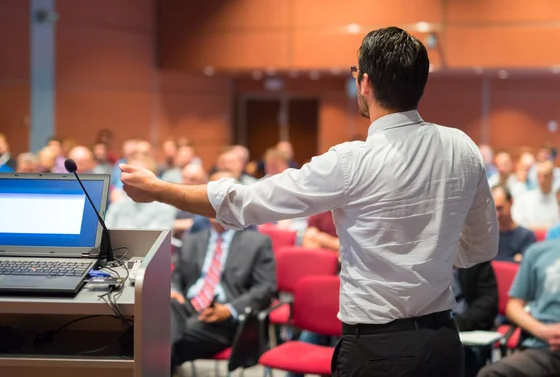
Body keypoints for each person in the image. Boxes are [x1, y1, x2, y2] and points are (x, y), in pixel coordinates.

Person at [120, 26, 498, 376]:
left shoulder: (352, 161)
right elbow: (482, 246)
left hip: (377, 350)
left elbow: (244, 203)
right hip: (444, 342)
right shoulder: (461, 146)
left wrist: (158, 190)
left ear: (364, 83)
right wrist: (430, 254)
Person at [170, 180, 276, 372]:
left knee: (156, 340)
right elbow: (176, 277)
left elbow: (265, 288)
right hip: (186, 307)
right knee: (160, 315)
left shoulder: (257, 243)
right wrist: (174, 290)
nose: (216, 210)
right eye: (212, 204)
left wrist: (229, 309)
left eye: (222, 205)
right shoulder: (192, 241)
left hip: (223, 318)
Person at [477, 241, 560, 377]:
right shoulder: (538, 252)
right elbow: (514, 306)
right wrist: (542, 331)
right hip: (543, 348)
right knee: (491, 374)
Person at [492, 185, 536, 262]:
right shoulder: (486, 237)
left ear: (511, 202)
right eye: (492, 209)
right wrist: (513, 259)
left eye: (500, 208)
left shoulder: (526, 236)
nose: (496, 214)